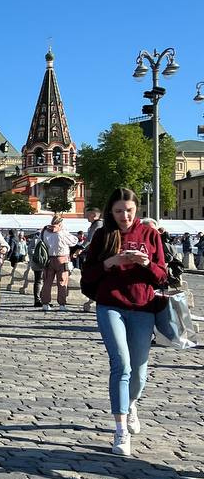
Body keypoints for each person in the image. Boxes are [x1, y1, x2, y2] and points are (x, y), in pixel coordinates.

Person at [79, 189, 167, 456]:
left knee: (139, 371)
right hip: (110, 306)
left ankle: (130, 405)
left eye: (128, 210)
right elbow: (87, 275)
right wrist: (110, 263)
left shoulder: (150, 234)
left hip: (142, 306)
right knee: (121, 365)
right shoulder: (104, 235)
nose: (124, 216)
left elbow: (161, 276)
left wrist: (146, 263)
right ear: (111, 212)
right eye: (118, 211)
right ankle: (120, 431)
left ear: (136, 209)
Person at [40, 216, 77, 310]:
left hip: (48, 258)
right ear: (60, 223)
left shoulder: (45, 231)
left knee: (47, 282)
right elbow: (74, 241)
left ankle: (45, 303)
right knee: (62, 281)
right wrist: (64, 230)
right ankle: (62, 304)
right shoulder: (62, 232)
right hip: (62, 258)